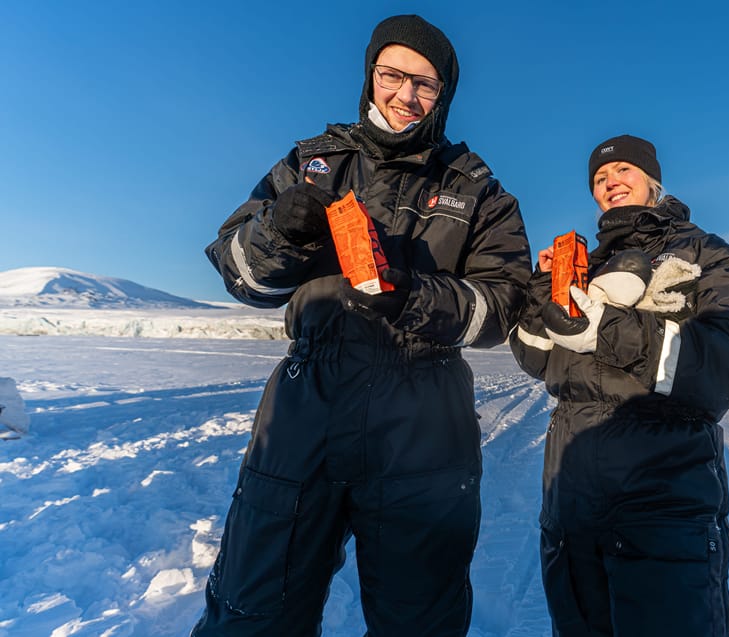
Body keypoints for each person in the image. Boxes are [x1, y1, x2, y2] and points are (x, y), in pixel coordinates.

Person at [193, 14, 531, 636]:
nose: (406, 96)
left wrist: (413, 297)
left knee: (418, 618)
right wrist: (280, 233)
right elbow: (240, 275)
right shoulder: (312, 162)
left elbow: (502, 306)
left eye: (425, 85)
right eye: (392, 75)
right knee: (253, 607)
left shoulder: (479, 190)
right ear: (370, 76)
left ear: (444, 96)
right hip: (305, 411)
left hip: (424, 419)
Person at [509, 134, 729, 636]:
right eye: (599, 178)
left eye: (623, 173)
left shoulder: (712, 257)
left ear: (652, 181)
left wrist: (613, 332)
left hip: (662, 503)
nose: (610, 183)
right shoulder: (586, 267)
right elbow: (537, 361)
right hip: (571, 504)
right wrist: (539, 295)